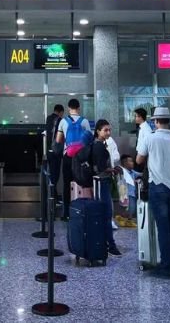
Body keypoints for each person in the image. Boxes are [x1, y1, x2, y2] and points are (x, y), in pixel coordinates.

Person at [135, 107, 170, 279]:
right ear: (169, 121)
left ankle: (166, 266)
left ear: (156, 121)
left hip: (157, 187)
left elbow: (139, 160)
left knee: (163, 228)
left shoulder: (150, 138)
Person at [89, 119, 122, 256]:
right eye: (105, 130)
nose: (108, 132)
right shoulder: (99, 146)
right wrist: (112, 170)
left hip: (100, 183)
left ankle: (104, 243)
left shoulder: (97, 144)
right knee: (107, 214)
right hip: (102, 182)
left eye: (109, 130)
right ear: (98, 131)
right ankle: (111, 245)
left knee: (104, 214)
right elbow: (100, 167)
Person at [54, 98, 91, 220]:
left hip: (68, 156)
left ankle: (66, 214)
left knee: (66, 184)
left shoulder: (63, 121)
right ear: (79, 108)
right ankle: (80, 211)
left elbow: (58, 140)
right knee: (81, 183)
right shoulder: (84, 121)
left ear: (69, 108)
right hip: (81, 158)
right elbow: (89, 139)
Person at [45, 104, 65, 188]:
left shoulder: (48, 118)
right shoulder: (60, 120)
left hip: (49, 150)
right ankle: (54, 195)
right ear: (60, 112)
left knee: (51, 172)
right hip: (56, 151)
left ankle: (52, 194)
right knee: (56, 173)